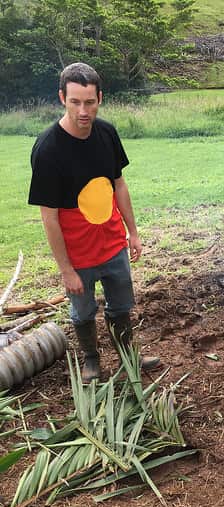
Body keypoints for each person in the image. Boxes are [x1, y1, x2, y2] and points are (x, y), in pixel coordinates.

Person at [28, 62, 159, 382]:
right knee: (83, 311)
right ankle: (91, 360)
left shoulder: (107, 133)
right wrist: (66, 269)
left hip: (113, 243)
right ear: (62, 98)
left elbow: (119, 184)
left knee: (121, 306)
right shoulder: (48, 149)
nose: (83, 111)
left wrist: (133, 232)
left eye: (89, 102)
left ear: (100, 97)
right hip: (78, 254)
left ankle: (129, 358)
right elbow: (49, 216)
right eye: (75, 102)